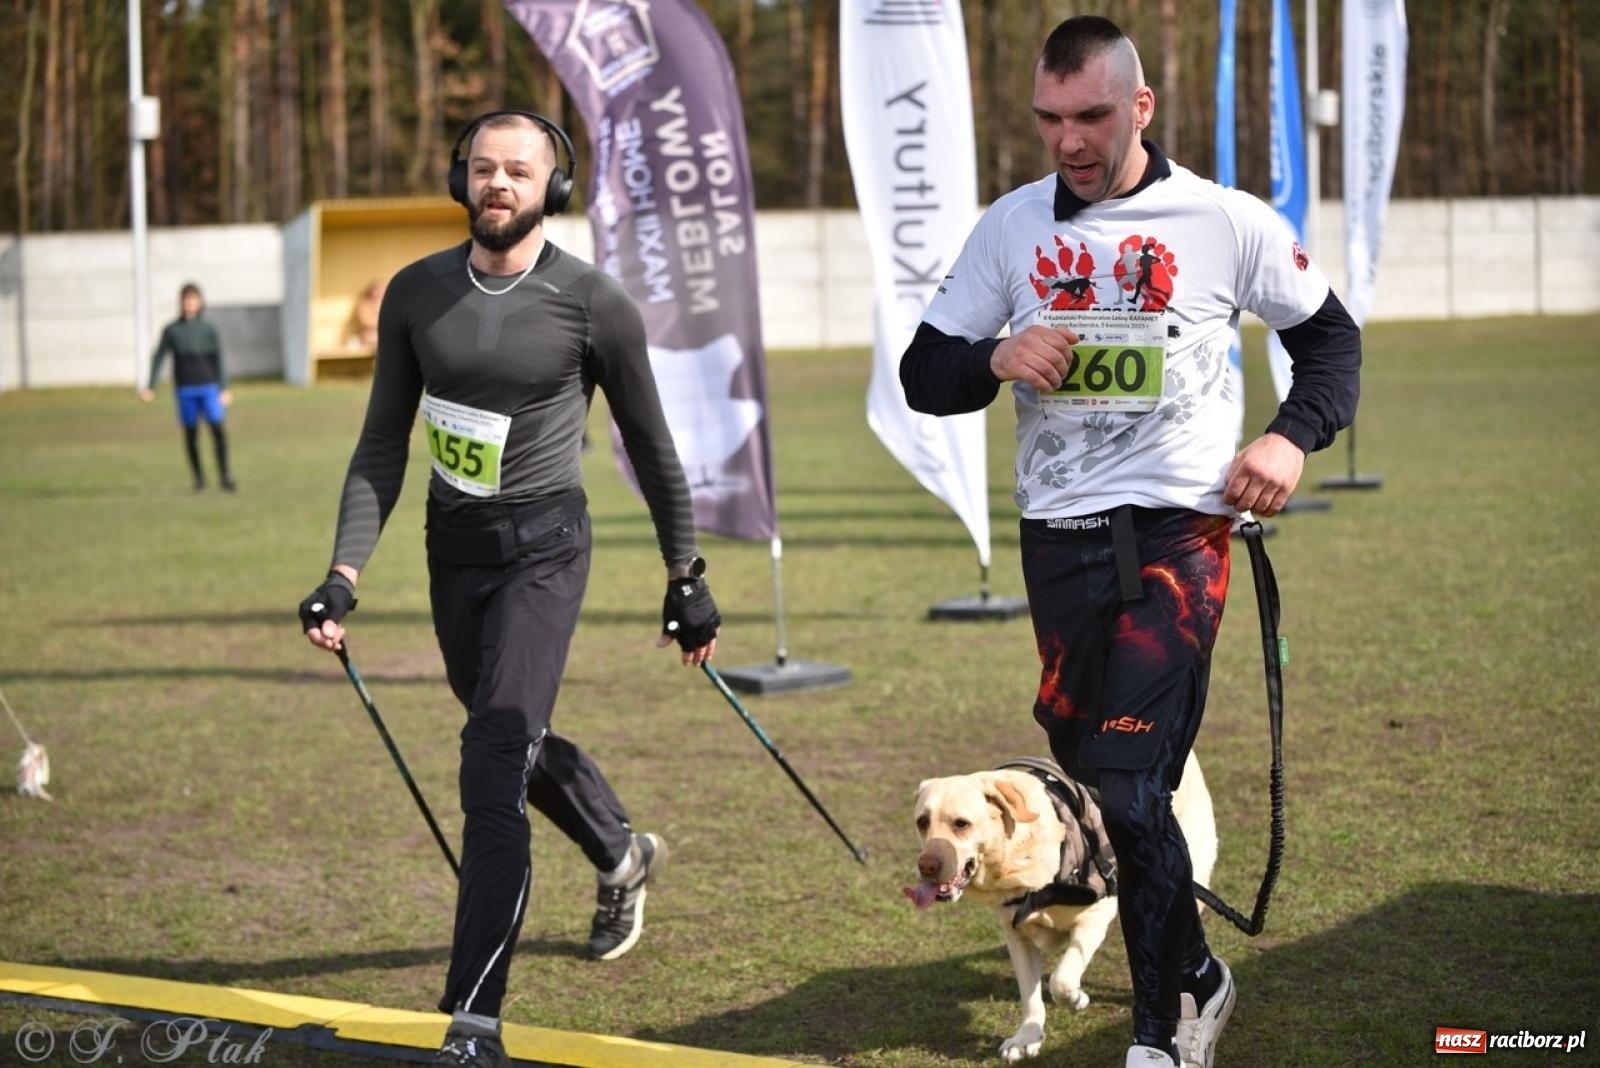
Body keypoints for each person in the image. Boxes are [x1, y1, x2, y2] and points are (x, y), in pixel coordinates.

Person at [899, 17, 1360, 1068]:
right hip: (1056, 539)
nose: (1068, 138)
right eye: (1050, 119)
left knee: (1121, 777)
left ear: (1139, 108)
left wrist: (1290, 439)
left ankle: (1163, 1029)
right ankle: (1199, 966)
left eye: (1091, 116)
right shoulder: (1010, 230)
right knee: (1101, 781)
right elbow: (925, 375)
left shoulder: (1223, 221)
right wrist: (996, 356)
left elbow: (1328, 340)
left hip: (1178, 535)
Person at [296, 110, 722, 1068]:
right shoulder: (416, 294)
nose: (498, 183)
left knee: (491, 758)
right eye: (483, 168)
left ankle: (474, 1021)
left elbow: (650, 448)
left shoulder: (592, 302)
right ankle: (621, 850)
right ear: (461, 179)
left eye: (518, 171)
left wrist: (684, 573)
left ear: (551, 188)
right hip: (454, 549)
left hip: (545, 550)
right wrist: (342, 572)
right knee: (505, 722)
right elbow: (379, 445)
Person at [140, 282, 236, 492]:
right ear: (181, 302)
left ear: (199, 302)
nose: (190, 303)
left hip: (209, 387)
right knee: (191, 434)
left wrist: (224, 387)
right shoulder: (172, 330)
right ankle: (199, 479)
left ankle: (225, 477)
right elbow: (159, 357)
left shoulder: (208, 329)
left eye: (193, 299)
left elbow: (218, 359)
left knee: (218, 429)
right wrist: (150, 386)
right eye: (186, 299)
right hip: (186, 389)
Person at [345, 280, 385, 351]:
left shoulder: (385, 303)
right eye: (377, 291)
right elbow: (366, 321)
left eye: (381, 291)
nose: (379, 293)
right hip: (369, 338)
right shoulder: (364, 304)